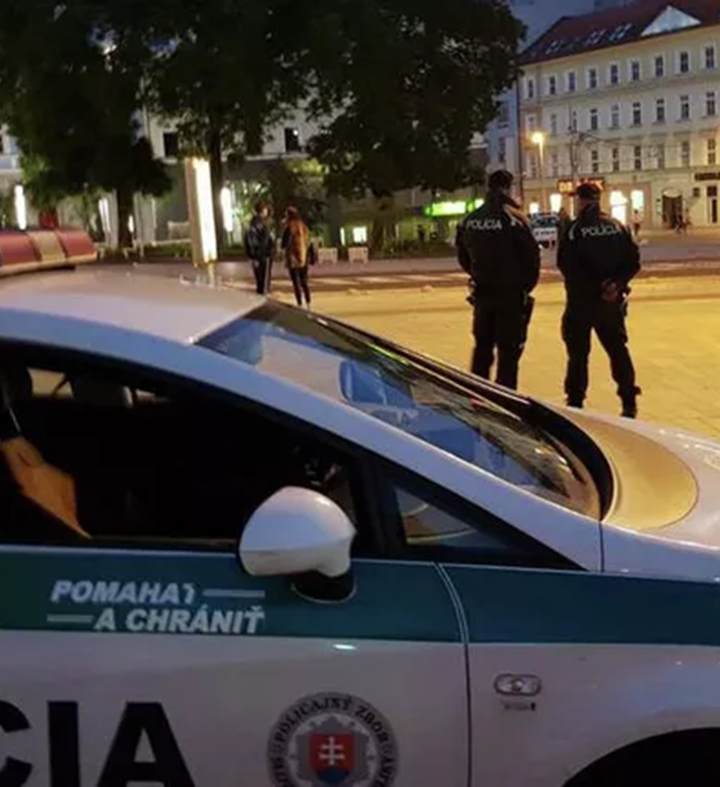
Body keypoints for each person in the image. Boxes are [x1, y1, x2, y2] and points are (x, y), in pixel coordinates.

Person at [558, 182, 641, 418]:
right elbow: (633, 262)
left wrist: (593, 287)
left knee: (578, 355)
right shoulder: (617, 226)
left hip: (581, 303)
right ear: (599, 199)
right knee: (618, 350)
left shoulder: (574, 230)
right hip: (610, 302)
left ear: (580, 200)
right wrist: (616, 284)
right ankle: (628, 400)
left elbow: (567, 266)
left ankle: (575, 402)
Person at [456, 170, 540, 390]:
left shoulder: (471, 219)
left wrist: (477, 274)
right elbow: (532, 258)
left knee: (482, 350)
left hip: (483, 293)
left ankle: (477, 395)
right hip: (511, 295)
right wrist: (524, 287)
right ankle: (504, 398)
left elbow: (463, 256)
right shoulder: (516, 219)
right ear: (508, 188)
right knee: (508, 354)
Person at [282, 206, 312, 308]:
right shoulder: (304, 226)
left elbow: (283, 244)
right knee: (304, 281)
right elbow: (308, 241)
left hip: (293, 258)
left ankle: (300, 304)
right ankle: (308, 303)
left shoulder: (289, 227)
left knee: (296, 283)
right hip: (304, 257)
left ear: (288, 216)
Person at [244, 202, 275, 295]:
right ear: (262, 211)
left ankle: (263, 295)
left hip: (263, 255)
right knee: (263, 282)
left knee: (262, 281)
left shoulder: (259, 223)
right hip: (262, 255)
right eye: (265, 210)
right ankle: (263, 298)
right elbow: (253, 241)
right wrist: (255, 256)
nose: (267, 212)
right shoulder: (257, 224)